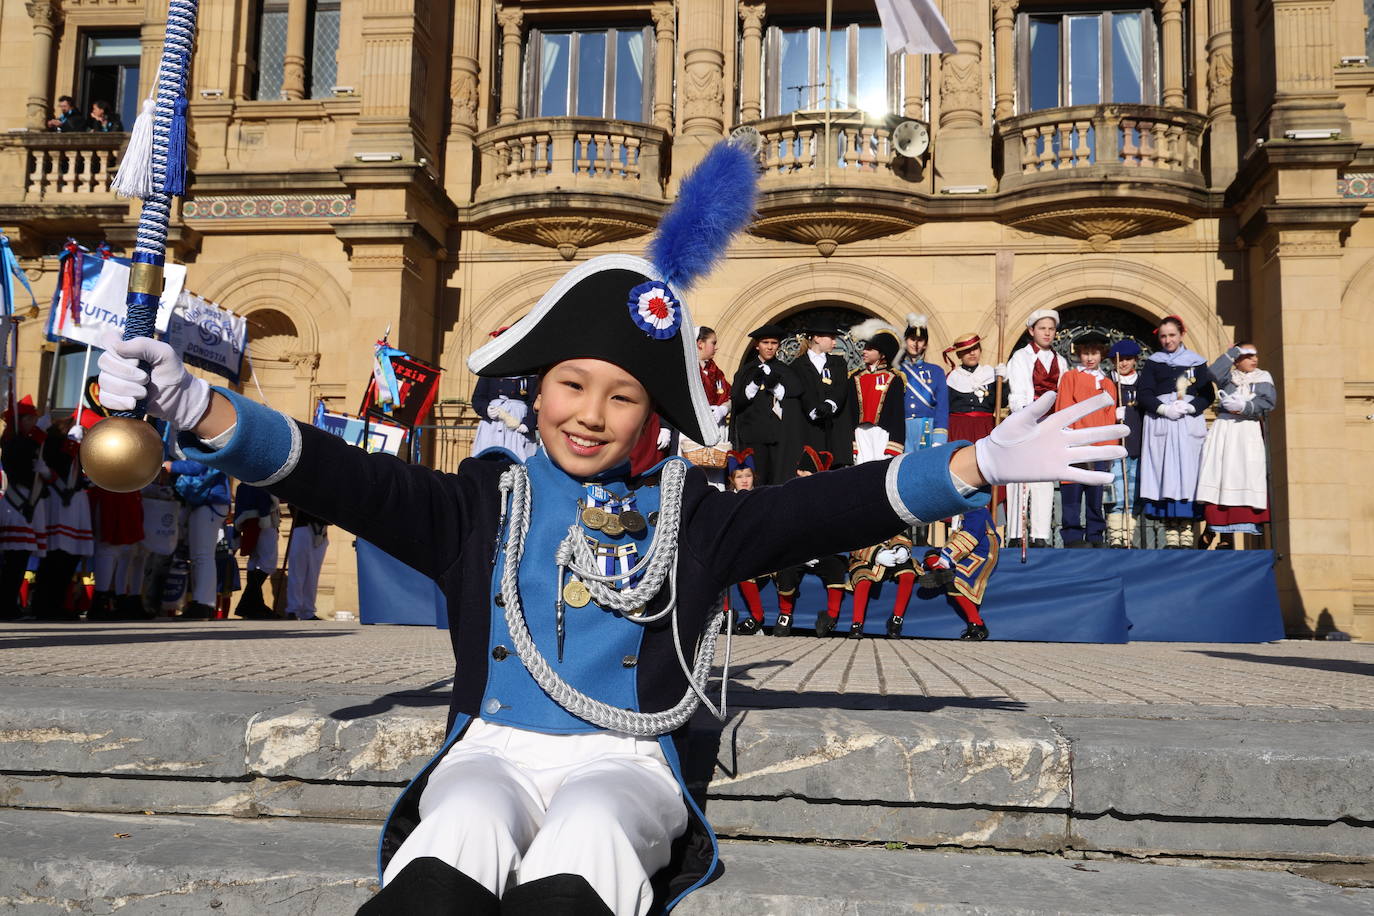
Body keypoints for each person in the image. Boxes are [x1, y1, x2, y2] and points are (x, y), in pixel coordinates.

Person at [97, 140, 1124, 916]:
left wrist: (975, 464)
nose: (589, 414)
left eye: (622, 395)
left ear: (653, 417)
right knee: (458, 828)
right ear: (537, 389)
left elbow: (826, 506)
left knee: (589, 837)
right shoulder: (480, 504)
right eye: (571, 384)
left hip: (623, 764)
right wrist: (202, 408)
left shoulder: (696, 519)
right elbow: (345, 477)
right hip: (491, 748)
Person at [1137, 315, 1213, 548]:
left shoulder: (1196, 362)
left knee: (1189, 473)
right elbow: (1144, 393)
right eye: (1163, 336)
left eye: (1172, 335)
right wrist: (1163, 409)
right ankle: (1171, 530)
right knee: (1165, 472)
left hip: (1188, 423)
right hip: (1163, 422)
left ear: (1182, 334)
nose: (1167, 340)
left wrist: (1191, 407)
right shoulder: (1153, 362)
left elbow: (1207, 394)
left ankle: (1187, 529)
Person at [1196, 343, 1277, 548]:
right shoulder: (1229, 377)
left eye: (1255, 355)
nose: (1254, 359)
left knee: (1242, 475)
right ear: (1238, 359)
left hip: (1247, 430)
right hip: (1225, 430)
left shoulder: (1263, 377)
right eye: (1247, 355)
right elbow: (1213, 372)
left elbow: (1268, 403)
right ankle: (1215, 529)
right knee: (1220, 475)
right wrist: (1232, 352)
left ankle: (1227, 536)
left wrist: (1245, 406)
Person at [1006, 310, 1068, 548]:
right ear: (1032, 331)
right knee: (1018, 479)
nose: (1047, 333)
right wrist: (1025, 418)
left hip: (1049, 426)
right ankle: (1015, 532)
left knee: (1044, 478)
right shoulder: (1021, 357)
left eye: (1051, 329)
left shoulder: (1061, 361)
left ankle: (1040, 534)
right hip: (1025, 421)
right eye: (1042, 328)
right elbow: (1018, 392)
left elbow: (1062, 394)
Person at [774, 447, 852, 638]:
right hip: (797, 552)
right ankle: (785, 614)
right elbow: (785, 529)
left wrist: (819, 550)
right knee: (786, 569)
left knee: (835, 567)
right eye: (803, 474)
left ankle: (831, 616)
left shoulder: (828, 499)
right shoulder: (788, 495)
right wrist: (801, 551)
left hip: (821, 551)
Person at [1055, 333, 1117, 548]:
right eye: (1086, 353)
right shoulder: (1070, 377)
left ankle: (1095, 534)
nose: (1090, 358)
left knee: (1095, 494)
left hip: (1099, 446)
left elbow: (1109, 417)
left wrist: (1110, 448)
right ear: (1079, 354)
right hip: (1076, 442)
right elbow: (1064, 407)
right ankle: (1072, 535)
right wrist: (1066, 439)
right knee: (1072, 491)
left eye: (1094, 353)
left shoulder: (1108, 383)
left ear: (1102, 355)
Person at [31, 415, 92, 620]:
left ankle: (58, 604)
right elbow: (57, 464)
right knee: (54, 558)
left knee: (69, 559)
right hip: (57, 502)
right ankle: (44, 606)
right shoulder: (54, 443)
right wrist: (70, 445)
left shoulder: (79, 446)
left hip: (75, 504)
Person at [730, 323, 802, 484]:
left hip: (779, 437)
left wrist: (776, 387)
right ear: (757, 345)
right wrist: (753, 385)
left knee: (779, 482)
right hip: (752, 437)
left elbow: (795, 394)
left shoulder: (785, 370)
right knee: (757, 482)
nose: (770, 347)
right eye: (765, 343)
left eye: (774, 343)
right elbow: (737, 402)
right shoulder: (746, 371)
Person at [919, 504, 1000, 640]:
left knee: (956, 581)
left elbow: (971, 535)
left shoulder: (977, 508)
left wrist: (948, 557)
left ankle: (978, 625)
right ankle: (940, 572)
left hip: (983, 550)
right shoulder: (963, 509)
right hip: (962, 550)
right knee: (931, 555)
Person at [165, 458, 231, 618]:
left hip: (208, 501)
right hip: (208, 501)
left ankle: (203, 603)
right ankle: (202, 602)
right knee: (200, 557)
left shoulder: (204, 445)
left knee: (202, 556)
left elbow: (198, 465)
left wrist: (171, 466)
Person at [0, 396, 47, 619]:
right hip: (16, 505)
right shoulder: (16, 442)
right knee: (15, 561)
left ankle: (10, 604)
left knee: (17, 561)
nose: (33, 423)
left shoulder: (21, 441)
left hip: (21, 504)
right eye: (30, 419)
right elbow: (18, 474)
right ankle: (7, 606)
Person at [790, 320, 851, 466]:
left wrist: (830, 404)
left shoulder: (838, 362)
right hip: (810, 427)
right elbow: (801, 391)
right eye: (832, 338)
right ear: (817, 338)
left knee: (837, 469)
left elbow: (841, 387)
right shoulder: (797, 365)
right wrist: (813, 409)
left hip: (835, 427)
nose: (835, 343)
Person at [724, 449, 772, 636]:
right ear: (732, 480)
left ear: (754, 477)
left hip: (757, 550)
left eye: (748, 475)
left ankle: (758, 616)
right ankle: (725, 612)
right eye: (739, 476)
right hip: (734, 550)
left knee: (745, 569)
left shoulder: (762, 498)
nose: (744, 480)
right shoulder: (727, 500)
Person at [845, 319, 906, 464]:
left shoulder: (894, 378)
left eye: (870, 349)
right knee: (860, 469)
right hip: (860, 432)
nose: (864, 352)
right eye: (865, 348)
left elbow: (897, 414)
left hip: (883, 433)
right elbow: (849, 413)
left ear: (882, 354)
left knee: (881, 468)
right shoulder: (855, 377)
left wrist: (894, 444)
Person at [471, 331, 538, 461]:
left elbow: (534, 402)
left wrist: (527, 423)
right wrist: (486, 410)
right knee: (489, 460)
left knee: (518, 461)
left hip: (518, 425)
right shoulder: (489, 370)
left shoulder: (529, 372)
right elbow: (478, 398)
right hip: (492, 426)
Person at [678, 327, 732, 487]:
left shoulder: (716, 371)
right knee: (692, 472)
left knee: (714, 478)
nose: (716, 347)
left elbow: (729, 395)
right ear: (700, 343)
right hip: (693, 427)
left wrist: (724, 409)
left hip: (715, 428)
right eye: (713, 343)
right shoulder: (687, 368)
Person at [1105, 340, 1144, 548]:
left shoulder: (1142, 383)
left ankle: (1128, 536)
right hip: (1115, 447)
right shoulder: (1108, 382)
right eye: (1120, 360)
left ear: (1135, 360)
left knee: (1133, 495)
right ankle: (1115, 536)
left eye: (1128, 359)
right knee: (1117, 493)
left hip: (1136, 446)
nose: (1123, 363)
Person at [86, 485, 145, 620]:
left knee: (126, 550)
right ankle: (100, 603)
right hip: (109, 492)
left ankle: (120, 601)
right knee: (107, 549)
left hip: (127, 492)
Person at [898, 313, 949, 452]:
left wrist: (939, 438)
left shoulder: (936, 371)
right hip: (902, 428)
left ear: (925, 345)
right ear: (905, 341)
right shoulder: (897, 371)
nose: (916, 344)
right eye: (912, 339)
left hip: (927, 426)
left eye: (920, 340)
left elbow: (942, 407)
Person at [943, 333, 1004, 445]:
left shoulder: (991, 374)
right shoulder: (951, 378)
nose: (972, 353)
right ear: (959, 355)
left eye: (975, 348)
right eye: (967, 350)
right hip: (958, 430)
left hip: (985, 428)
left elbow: (1002, 402)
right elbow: (943, 409)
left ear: (980, 350)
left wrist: (1004, 382)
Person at [233, 482, 280, 619]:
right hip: (264, 521)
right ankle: (246, 605)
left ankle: (256, 605)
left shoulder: (242, 485)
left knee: (254, 563)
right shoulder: (262, 480)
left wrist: (236, 533)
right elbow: (263, 497)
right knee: (268, 562)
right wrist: (264, 515)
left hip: (249, 522)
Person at [284, 504, 329, 620]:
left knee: (313, 575)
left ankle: (308, 610)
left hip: (321, 530)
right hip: (303, 527)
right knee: (297, 572)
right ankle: (293, 609)